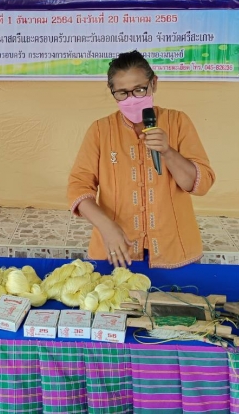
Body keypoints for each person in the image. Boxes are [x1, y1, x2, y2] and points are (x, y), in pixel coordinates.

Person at [67, 51, 215, 268]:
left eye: (139, 90)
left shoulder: (178, 122)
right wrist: (106, 227)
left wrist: (168, 152)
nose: (131, 99)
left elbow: (201, 185)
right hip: (116, 251)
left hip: (176, 250)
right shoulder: (100, 130)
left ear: (153, 84)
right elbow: (78, 187)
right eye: (122, 93)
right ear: (113, 92)